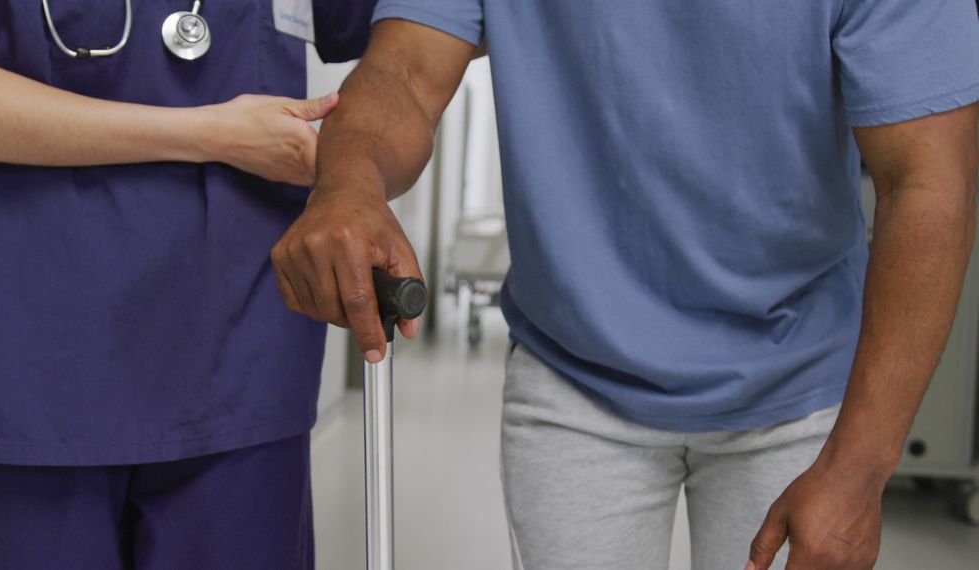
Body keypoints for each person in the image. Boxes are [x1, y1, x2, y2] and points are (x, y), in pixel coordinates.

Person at [272, 1, 979, 568]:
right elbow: (402, 74)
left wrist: (859, 472)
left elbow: (927, 180)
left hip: (797, 383)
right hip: (577, 374)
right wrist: (348, 182)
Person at [0, 1, 375, 568]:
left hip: (241, 348)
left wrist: (357, 175)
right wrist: (211, 134)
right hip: (35, 356)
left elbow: (419, 27)